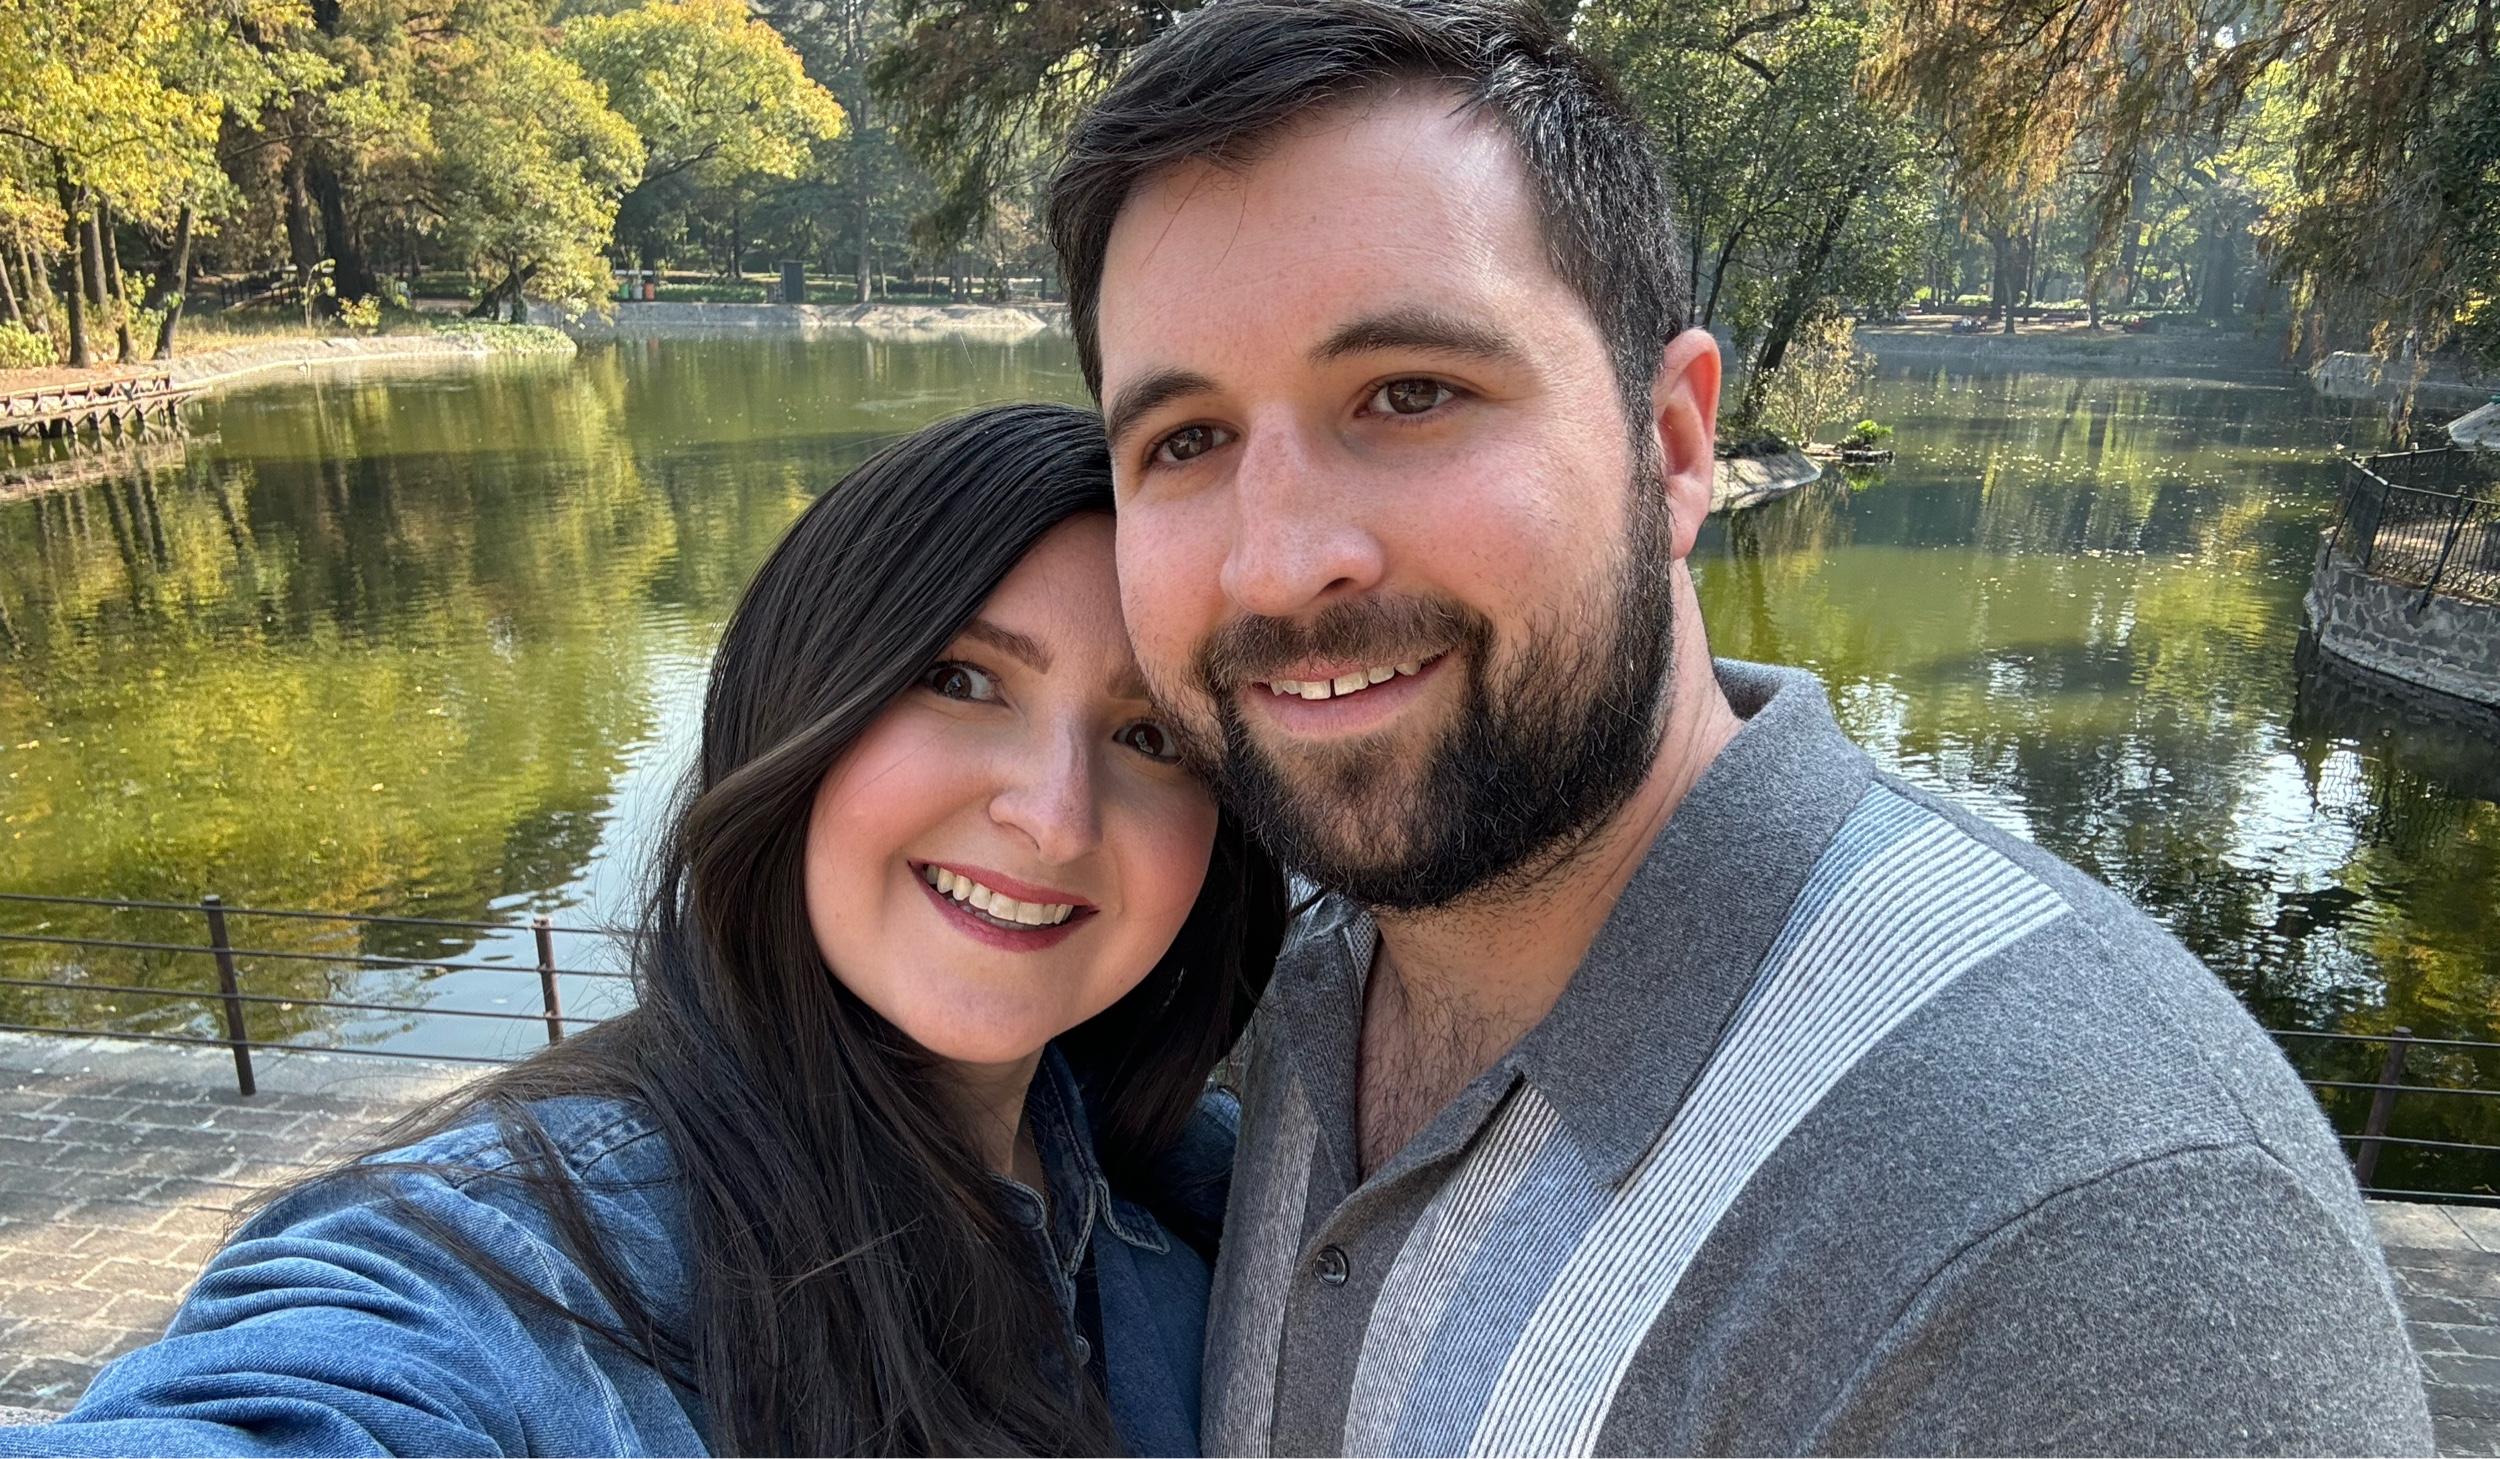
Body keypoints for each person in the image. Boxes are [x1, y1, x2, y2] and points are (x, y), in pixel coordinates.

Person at [1046, 2, 2435, 1453]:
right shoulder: (1303, 962)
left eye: (1409, 394)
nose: (1279, 564)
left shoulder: (2101, 1241)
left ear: (1672, 446)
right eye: (1186, 440)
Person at [0, 404, 1287, 1457]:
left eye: (1150, 734)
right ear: (798, 704)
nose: (1055, 818)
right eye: (960, 680)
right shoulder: (522, 1265)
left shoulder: (1203, 1189)